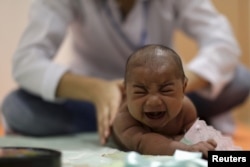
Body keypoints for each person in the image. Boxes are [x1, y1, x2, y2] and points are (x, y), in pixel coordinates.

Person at [1, 0, 250, 145]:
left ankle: (167, 113)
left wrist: (175, 89)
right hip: (94, 98)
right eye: (138, 91)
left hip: (174, 98)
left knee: (240, 80)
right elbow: (27, 60)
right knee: (17, 107)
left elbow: (222, 43)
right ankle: (129, 124)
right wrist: (96, 90)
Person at [112, 44, 217, 158]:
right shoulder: (124, 119)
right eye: (140, 92)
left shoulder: (186, 109)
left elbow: (195, 133)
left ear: (183, 88)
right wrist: (187, 149)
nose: (153, 101)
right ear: (126, 91)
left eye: (166, 90)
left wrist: (206, 143)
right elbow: (147, 143)